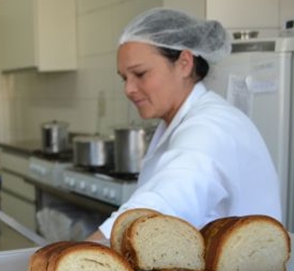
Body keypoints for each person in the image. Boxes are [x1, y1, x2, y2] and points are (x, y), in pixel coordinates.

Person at [87, 8, 281, 242]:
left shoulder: (210, 126)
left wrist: (76, 262)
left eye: (140, 74)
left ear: (184, 63)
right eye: (124, 78)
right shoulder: (180, 121)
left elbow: (158, 207)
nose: (128, 89)